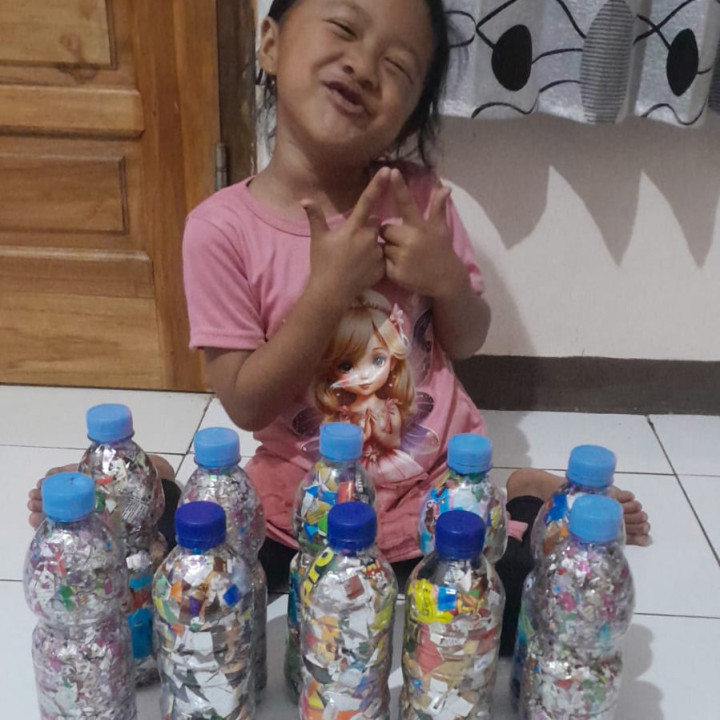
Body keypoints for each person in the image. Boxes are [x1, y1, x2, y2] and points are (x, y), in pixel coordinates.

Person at [27, 0, 650, 648]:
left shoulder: (414, 198)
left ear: (411, 112)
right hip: (294, 504)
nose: (363, 65)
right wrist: (327, 292)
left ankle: (525, 496)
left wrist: (445, 278)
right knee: (177, 606)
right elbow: (245, 401)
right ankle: (141, 484)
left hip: (433, 495)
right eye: (345, 29)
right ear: (271, 45)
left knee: (516, 620)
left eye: (398, 65)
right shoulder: (220, 229)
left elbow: (467, 337)